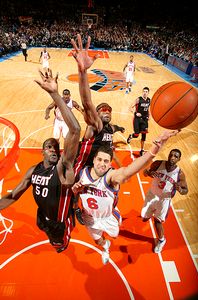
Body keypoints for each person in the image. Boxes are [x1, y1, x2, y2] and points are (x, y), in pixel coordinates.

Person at [0, 70, 81, 253]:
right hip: (42, 218)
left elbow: (75, 130)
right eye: (49, 147)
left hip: (60, 223)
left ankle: (74, 208)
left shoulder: (62, 166)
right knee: (44, 227)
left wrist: (54, 94)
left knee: (59, 246)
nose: (54, 149)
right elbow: (13, 196)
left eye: (56, 147)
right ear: (42, 151)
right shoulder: (32, 170)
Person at [72, 131, 179, 264]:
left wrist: (157, 144)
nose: (102, 164)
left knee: (115, 234)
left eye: (106, 161)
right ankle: (105, 248)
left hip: (108, 217)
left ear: (110, 164)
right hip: (89, 217)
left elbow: (131, 170)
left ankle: (115, 221)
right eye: (99, 159)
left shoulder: (112, 177)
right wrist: (75, 196)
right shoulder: (81, 174)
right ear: (94, 159)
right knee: (98, 240)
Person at [70, 34, 125, 223]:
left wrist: (116, 161)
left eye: (109, 110)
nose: (106, 112)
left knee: (115, 182)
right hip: (83, 165)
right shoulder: (96, 125)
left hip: (98, 166)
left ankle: (107, 209)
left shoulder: (110, 129)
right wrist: (83, 72)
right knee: (77, 190)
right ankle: (75, 207)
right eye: (102, 110)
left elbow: (111, 147)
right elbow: (87, 102)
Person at [141, 149, 188, 253]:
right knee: (144, 218)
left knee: (157, 221)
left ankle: (162, 240)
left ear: (179, 159)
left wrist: (180, 189)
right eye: (171, 155)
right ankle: (150, 213)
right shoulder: (158, 163)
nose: (172, 158)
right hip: (152, 194)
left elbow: (185, 190)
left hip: (164, 199)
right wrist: (148, 173)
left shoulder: (179, 174)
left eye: (175, 156)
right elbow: (145, 173)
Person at [127, 87, 151, 156]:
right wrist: (135, 113)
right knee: (136, 135)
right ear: (142, 92)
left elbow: (148, 109)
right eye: (144, 91)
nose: (145, 93)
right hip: (137, 119)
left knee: (144, 135)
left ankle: (141, 150)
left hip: (144, 120)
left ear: (148, 93)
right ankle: (131, 136)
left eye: (146, 91)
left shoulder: (149, 100)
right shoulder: (138, 99)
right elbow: (130, 107)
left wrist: (149, 116)